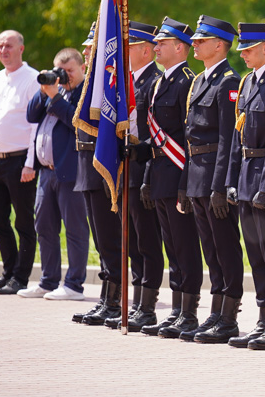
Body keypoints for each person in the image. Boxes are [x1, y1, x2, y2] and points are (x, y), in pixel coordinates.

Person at [130, 17, 202, 339]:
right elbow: (154, 136)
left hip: (178, 173)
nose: (156, 46)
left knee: (185, 245)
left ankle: (189, 311)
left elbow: (188, 137)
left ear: (179, 47)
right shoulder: (160, 84)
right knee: (171, 246)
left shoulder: (187, 80)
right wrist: (142, 168)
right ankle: (175, 309)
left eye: (162, 42)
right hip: (159, 172)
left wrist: (186, 182)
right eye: (155, 42)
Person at [224, 23, 265, 350]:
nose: (244, 54)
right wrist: (232, 180)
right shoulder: (248, 81)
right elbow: (239, 136)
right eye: (242, 50)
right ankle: (262, 318)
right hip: (246, 176)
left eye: (249, 49)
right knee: (256, 254)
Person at [182, 15, 243, 344]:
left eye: (201, 40)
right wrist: (188, 184)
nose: (195, 43)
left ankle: (229, 316)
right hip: (197, 175)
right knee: (210, 249)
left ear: (219, 44)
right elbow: (191, 139)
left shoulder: (228, 82)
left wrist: (220, 186)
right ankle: (216, 310)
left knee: (225, 247)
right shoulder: (201, 81)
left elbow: (227, 139)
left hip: (214, 178)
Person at [104, 21, 165, 332]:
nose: (122, 54)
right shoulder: (124, 83)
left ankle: (147, 305)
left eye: (127, 48)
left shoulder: (154, 81)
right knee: (130, 239)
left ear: (144, 50)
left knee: (147, 241)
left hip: (145, 170)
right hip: (125, 169)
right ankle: (134, 303)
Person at [18, 48, 89, 300]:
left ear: (82, 68)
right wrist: (44, 89)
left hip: (71, 172)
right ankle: (48, 281)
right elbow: (31, 115)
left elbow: (77, 123)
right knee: (44, 227)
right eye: (61, 71)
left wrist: (56, 98)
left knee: (75, 229)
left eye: (69, 70)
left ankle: (74, 285)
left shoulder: (85, 93)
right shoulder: (54, 92)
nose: (65, 76)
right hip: (46, 173)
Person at [0, 30, 40, 295]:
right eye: (0, 46)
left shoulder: (32, 79)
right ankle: (7, 272)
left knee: (24, 222)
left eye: (9, 46)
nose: (4, 50)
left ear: (21, 49)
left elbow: (36, 125)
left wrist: (30, 163)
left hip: (20, 161)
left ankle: (21, 278)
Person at [73, 22, 125, 326]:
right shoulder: (88, 85)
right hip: (86, 169)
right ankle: (106, 298)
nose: (85, 51)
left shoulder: (109, 83)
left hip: (103, 171)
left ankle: (115, 301)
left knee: (110, 238)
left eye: (91, 46)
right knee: (100, 240)